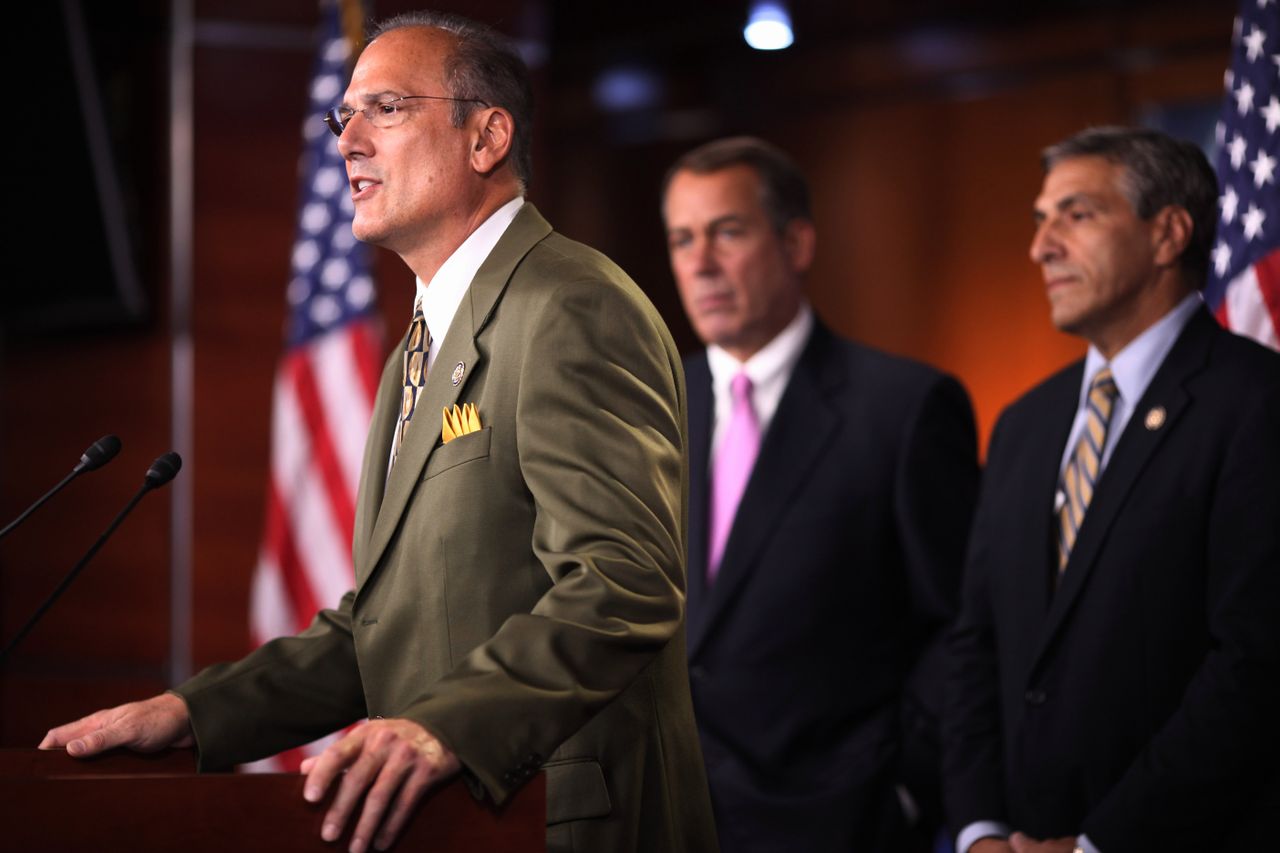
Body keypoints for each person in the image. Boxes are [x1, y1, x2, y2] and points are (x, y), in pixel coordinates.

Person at [40, 11, 719, 853]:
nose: (349, 141)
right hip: (456, 824)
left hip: (561, 821)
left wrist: (448, 726)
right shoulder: (415, 351)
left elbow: (625, 579)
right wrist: (193, 713)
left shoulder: (568, 304)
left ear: (487, 137)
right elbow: (380, 628)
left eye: (386, 109)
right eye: (342, 116)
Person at [944, 126, 1280, 853]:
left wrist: (1103, 843)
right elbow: (974, 643)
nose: (1041, 246)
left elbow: (1255, 661)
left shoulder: (1257, 402)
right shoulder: (1023, 424)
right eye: (1040, 220)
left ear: (1168, 234)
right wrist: (979, 829)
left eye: (1077, 214)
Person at [662, 136, 980, 852]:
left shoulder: (903, 408)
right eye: (682, 239)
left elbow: (959, 624)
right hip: (671, 816)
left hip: (838, 821)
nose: (701, 263)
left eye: (728, 232)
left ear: (797, 242)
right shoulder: (646, 407)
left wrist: (903, 788)